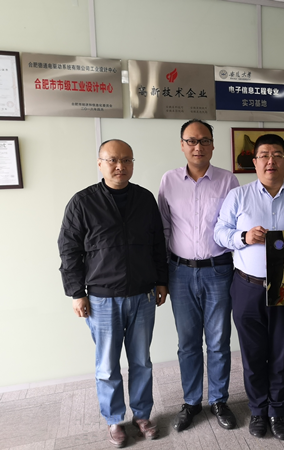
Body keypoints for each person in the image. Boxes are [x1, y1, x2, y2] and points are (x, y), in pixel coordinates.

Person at [58, 139, 168, 448]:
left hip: (143, 296)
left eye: (127, 160)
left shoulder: (145, 199)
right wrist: (76, 293)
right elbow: (69, 250)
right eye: (113, 160)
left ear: (133, 163)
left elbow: (158, 243)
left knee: (142, 361)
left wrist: (162, 281)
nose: (120, 166)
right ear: (100, 164)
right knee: (107, 366)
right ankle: (114, 419)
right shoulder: (82, 202)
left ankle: (142, 415)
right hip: (101, 299)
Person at [214, 134, 284, 441]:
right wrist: (244, 237)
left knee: (281, 352)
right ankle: (258, 410)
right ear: (255, 162)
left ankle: (277, 411)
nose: (271, 161)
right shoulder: (238, 196)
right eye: (264, 155)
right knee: (253, 353)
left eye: (277, 155)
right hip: (247, 286)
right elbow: (219, 233)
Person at [158, 119, 240, 432]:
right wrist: (162, 274)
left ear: (213, 145)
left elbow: (235, 225)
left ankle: (219, 400)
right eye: (191, 141)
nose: (198, 147)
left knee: (218, 341)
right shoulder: (168, 180)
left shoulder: (228, 180)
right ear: (182, 145)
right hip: (179, 273)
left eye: (204, 140)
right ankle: (191, 402)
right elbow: (163, 228)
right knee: (188, 342)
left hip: (219, 271)